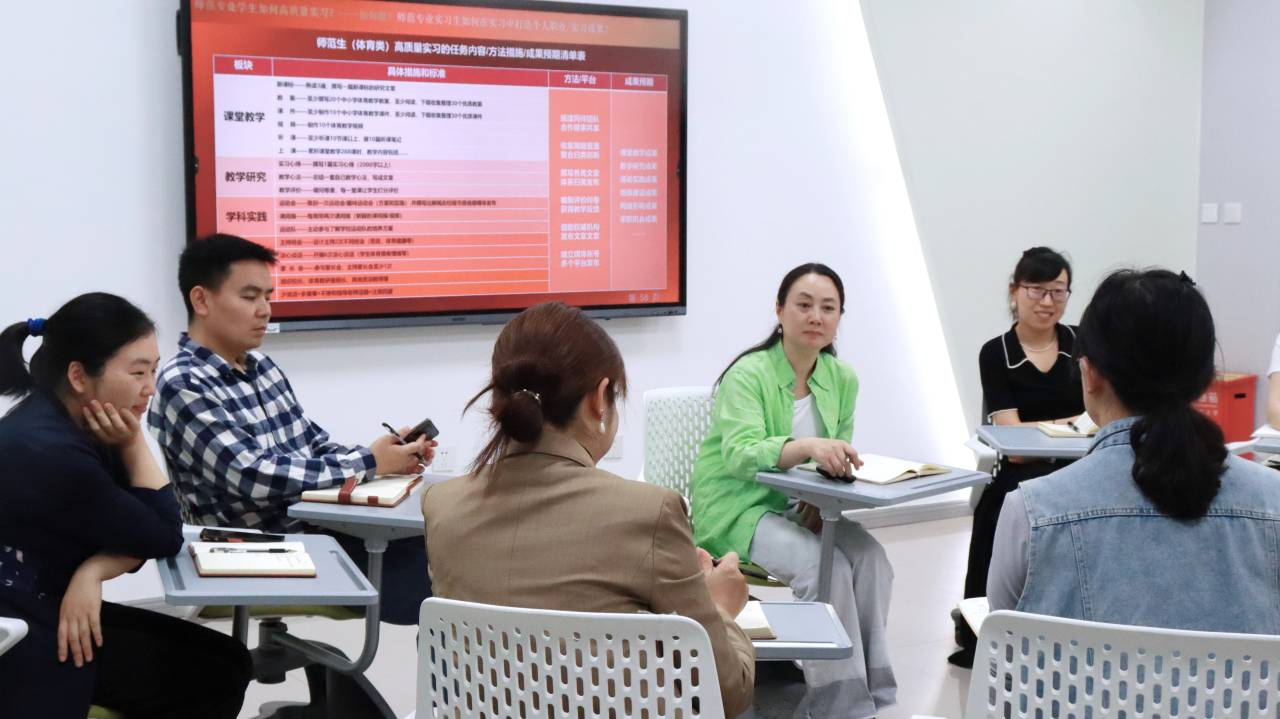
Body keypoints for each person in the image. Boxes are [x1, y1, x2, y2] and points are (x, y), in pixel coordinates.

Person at [422, 302, 756, 717]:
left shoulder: (443, 505)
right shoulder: (649, 512)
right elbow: (726, 692)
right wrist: (720, 608)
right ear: (599, 399)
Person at [148, 234, 434, 625]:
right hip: (258, 551)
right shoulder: (184, 383)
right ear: (201, 300)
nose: (264, 310)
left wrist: (389, 456)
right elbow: (252, 475)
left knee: (443, 547)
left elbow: (313, 445)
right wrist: (368, 462)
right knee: (441, 582)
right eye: (250, 297)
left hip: (319, 531)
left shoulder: (261, 368)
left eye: (268, 297)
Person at [0, 293, 251, 718]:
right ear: (79, 376)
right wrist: (135, 443)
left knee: (228, 659)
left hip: (45, 602)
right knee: (217, 674)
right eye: (137, 372)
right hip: (27, 635)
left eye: (153, 370)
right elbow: (163, 534)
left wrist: (93, 570)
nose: (150, 387)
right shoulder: (53, 450)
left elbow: (136, 526)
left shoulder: (61, 421)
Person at [987, 269, 1280, 633]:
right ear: (1206, 379)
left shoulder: (1032, 511)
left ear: (1089, 373)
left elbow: (1007, 641)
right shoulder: (1273, 500)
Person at [689, 263, 895, 719]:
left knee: (873, 560)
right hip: (738, 508)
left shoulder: (842, 378)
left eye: (828, 308)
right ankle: (837, 705)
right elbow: (739, 456)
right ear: (779, 310)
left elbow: (835, 457)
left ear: (839, 317)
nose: (816, 316)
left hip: (802, 505)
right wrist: (805, 446)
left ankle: (873, 691)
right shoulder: (748, 373)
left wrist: (825, 496)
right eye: (804, 304)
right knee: (825, 569)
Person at [950, 247, 1085, 667]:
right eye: (1036, 290)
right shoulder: (997, 352)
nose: (1047, 301)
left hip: (1080, 468)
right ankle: (982, 632)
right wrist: (1071, 424)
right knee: (996, 510)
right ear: (1014, 292)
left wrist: (1050, 429)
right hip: (1020, 471)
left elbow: (1098, 418)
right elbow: (1014, 438)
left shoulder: (1081, 343)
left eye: (1058, 291)